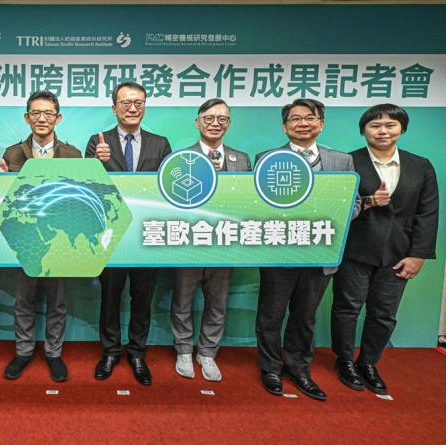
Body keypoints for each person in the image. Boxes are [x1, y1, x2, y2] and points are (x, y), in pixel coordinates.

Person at [255, 98, 359, 401]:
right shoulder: (267, 158)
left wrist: (332, 215)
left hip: (320, 253)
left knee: (305, 316)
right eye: (295, 118)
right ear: (284, 126)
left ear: (321, 124)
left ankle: (299, 367)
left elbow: (352, 204)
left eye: (310, 118)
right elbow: (256, 204)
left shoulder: (341, 161)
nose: (303, 123)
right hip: (279, 252)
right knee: (270, 315)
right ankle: (271, 368)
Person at [331, 104, 438, 394]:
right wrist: (368, 201)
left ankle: (368, 362)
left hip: (398, 254)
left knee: (384, 313)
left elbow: (427, 214)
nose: (383, 131)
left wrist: (418, 255)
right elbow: (336, 207)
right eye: (375, 125)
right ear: (364, 130)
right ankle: (345, 360)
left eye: (390, 125)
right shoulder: (348, 162)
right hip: (354, 251)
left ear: (401, 129)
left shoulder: (421, 166)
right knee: (347, 308)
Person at [85, 81, 172, 386]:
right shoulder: (98, 141)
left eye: (138, 103)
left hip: (147, 235)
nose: (132, 108)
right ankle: (110, 351)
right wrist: (95, 163)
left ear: (144, 107)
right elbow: (88, 187)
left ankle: (137, 352)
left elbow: (166, 189)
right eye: (125, 103)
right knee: (110, 297)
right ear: (114, 108)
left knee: (142, 298)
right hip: (112, 235)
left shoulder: (160, 144)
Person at [0, 90, 81, 382]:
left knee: (57, 301)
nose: (42, 118)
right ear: (27, 117)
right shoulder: (11, 154)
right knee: (24, 300)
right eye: (36, 113)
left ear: (58, 118)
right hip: (25, 239)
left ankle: (53, 353)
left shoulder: (72, 154)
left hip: (59, 241)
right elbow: (6, 200)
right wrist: (0, 182)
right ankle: (23, 351)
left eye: (48, 113)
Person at [172, 98, 251, 382]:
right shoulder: (181, 159)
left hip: (225, 244)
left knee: (217, 302)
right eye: (209, 118)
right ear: (198, 122)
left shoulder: (242, 159)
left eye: (222, 119)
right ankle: (183, 350)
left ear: (228, 124)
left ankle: (207, 352)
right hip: (189, 243)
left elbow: (248, 201)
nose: (215, 124)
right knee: (182, 300)